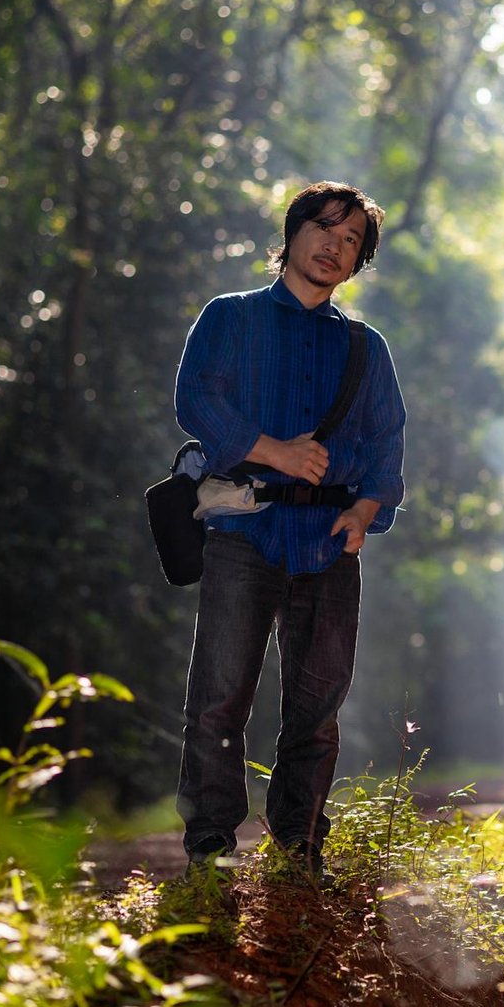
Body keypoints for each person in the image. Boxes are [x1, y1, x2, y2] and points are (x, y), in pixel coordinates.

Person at [173, 181, 406, 876]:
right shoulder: (230, 317)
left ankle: (299, 849)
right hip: (243, 532)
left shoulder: (366, 349)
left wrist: (365, 513)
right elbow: (194, 399)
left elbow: (387, 443)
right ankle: (211, 851)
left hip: (331, 543)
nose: (336, 247)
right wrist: (274, 450)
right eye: (326, 229)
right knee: (218, 699)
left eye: (352, 241)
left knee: (317, 709)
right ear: (294, 228)